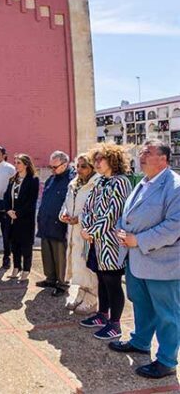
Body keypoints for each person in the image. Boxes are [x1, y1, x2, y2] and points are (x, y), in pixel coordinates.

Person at [110, 140, 180, 379]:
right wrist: (121, 230)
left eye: (147, 153)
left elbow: (174, 225)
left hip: (162, 263)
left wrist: (138, 240)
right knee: (141, 304)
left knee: (167, 314)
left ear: (163, 159)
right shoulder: (143, 182)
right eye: (141, 152)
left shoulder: (175, 186)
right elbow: (127, 214)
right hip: (138, 260)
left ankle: (167, 360)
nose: (141, 156)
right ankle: (141, 341)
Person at [78, 143, 132, 340]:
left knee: (113, 282)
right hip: (95, 242)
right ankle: (102, 315)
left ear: (113, 160)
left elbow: (113, 213)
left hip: (110, 243)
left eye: (102, 159)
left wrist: (91, 231)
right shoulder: (99, 181)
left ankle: (115, 324)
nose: (97, 163)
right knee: (101, 279)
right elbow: (87, 208)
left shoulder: (121, 182)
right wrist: (85, 227)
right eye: (96, 159)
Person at [60, 153, 100, 313]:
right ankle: (80, 294)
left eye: (84, 166)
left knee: (88, 266)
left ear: (92, 167)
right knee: (78, 265)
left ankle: (92, 299)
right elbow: (66, 203)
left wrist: (80, 218)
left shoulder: (96, 184)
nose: (79, 169)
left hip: (87, 232)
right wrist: (64, 213)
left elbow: (97, 209)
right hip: (72, 232)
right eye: (77, 166)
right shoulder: (73, 183)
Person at [36, 151, 76, 296]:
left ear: (65, 164)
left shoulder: (71, 180)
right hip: (46, 223)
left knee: (61, 256)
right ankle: (50, 278)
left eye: (55, 167)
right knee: (47, 253)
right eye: (50, 167)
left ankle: (62, 283)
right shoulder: (51, 179)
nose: (52, 170)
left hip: (60, 225)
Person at [3, 154, 39, 281]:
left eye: (19, 162)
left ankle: (26, 269)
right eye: (15, 162)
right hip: (11, 218)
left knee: (26, 245)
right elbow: (6, 196)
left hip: (25, 219)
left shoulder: (33, 180)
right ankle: (16, 267)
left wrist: (18, 213)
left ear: (26, 164)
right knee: (14, 244)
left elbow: (31, 201)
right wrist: (8, 210)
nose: (16, 165)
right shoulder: (13, 179)